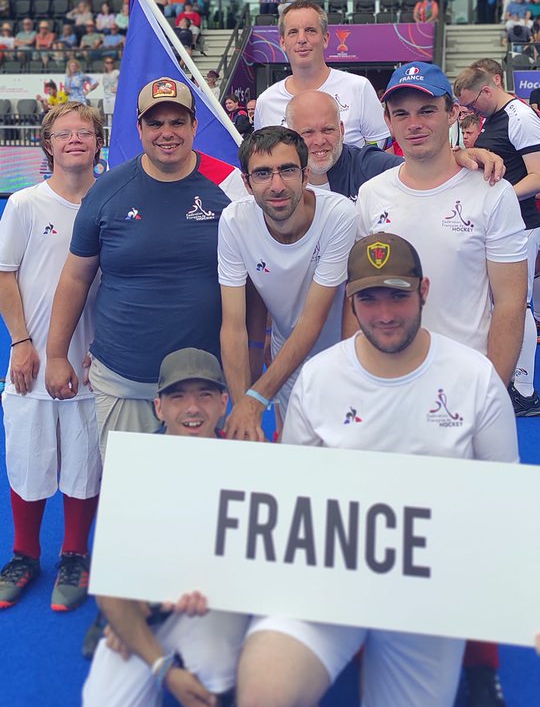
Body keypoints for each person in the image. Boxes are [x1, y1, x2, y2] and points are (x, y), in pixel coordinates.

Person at [235, 234, 518, 707]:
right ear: (351, 301)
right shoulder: (320, 378)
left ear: (423, 290)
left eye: (398, 296)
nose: (385, 314)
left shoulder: (474, 378)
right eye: (369, 298)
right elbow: (292, 496)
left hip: (427, 583)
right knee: (263, 702)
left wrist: (521, 596)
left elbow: (505, 502)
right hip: (334, 568)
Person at [354, 60, 528, 707]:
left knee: (475, 535)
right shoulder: (372, 194)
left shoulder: (492, 190)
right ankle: (388, 646)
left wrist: (492, 391)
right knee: (392, 526)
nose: (414, 123)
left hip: (470, 390)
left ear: (454, 113)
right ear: (388, 121)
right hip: (392, 387)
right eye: (400, 112)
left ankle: (482, 667)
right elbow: (366, 298)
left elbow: (510, 303)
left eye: (426, 108)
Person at [45, 78, 246, 456]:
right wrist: (56, 356)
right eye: (155, 123)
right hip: (124, 380)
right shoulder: (107, 191)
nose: (167, 133)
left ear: (194, 125)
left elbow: (252, 279)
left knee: (197, 489)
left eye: (177, 122)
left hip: (199, 385)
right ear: (139, 128)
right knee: (127, 491)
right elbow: (75, 277)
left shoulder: (229, 188)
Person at [80, 348, 246, 707]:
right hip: (148, 612)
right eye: (178, 396)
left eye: (205, 395)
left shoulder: (249, 466)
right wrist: (151, 654)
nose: (193, 408)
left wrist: (216, 588)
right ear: (159, 407)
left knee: (220, 645)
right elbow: (111, 588)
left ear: (224, 402)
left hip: (214, 604)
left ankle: (223, 698)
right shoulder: (132, 467)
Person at [0, 103, 104, 612]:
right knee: (28, 459)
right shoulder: (24, 204)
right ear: (48, 144)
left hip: (92, 362)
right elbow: (4, 274)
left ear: (99, 142)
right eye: (64, 133)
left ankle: (75, 555)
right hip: (33, 362)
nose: (74, 140)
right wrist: (21, 341)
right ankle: (24, 555)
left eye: (84, 132)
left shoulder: (111, 202)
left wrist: (106, 348)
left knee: (85, 465)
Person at [218, 127, 357, 440]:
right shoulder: (234, 221)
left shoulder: (339, 215)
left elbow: (312, 320)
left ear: (306, 175)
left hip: (340, 365)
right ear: (246, 183)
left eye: (288, 170)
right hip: (286, 364)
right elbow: (233, 327)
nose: (277, 185)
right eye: (263, 173)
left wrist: (257, 397)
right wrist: (241, 406)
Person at [454, 59, 540, 416]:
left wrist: (499, 200)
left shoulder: (521, 118)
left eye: (473, 105)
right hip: (502, 225)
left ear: (487, 90)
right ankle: (510, 380)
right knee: (502, 304)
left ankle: (525, 390)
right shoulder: (496, 117)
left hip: (522, 224)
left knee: (518, 304)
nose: (471, 113)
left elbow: (538, 176)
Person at [285, 91, 503, 203]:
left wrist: (460, 156)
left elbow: (421, 167)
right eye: (307, 133)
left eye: (328, 130)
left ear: (341, 129)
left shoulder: (367, 165)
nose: (319, 140)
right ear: (291, 133)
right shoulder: (276, 174)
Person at [254, 0, 389, 149]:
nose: (302, 39)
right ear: (283, 42)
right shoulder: (266, 102)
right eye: (293, 32)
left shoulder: (358, 88)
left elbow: (383, 149)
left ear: (325, 38)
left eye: (310, 30)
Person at [100, 57, 119, 124]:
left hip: (114, 96)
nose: (110, 64)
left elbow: (125, 81)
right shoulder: (104, 74)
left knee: (115, 114)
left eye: (111, 62)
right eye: (107, 63)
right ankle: (109, 129)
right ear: (105, 64)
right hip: (106, 97)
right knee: (107, 115)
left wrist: (119, 89)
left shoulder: (116, 72)